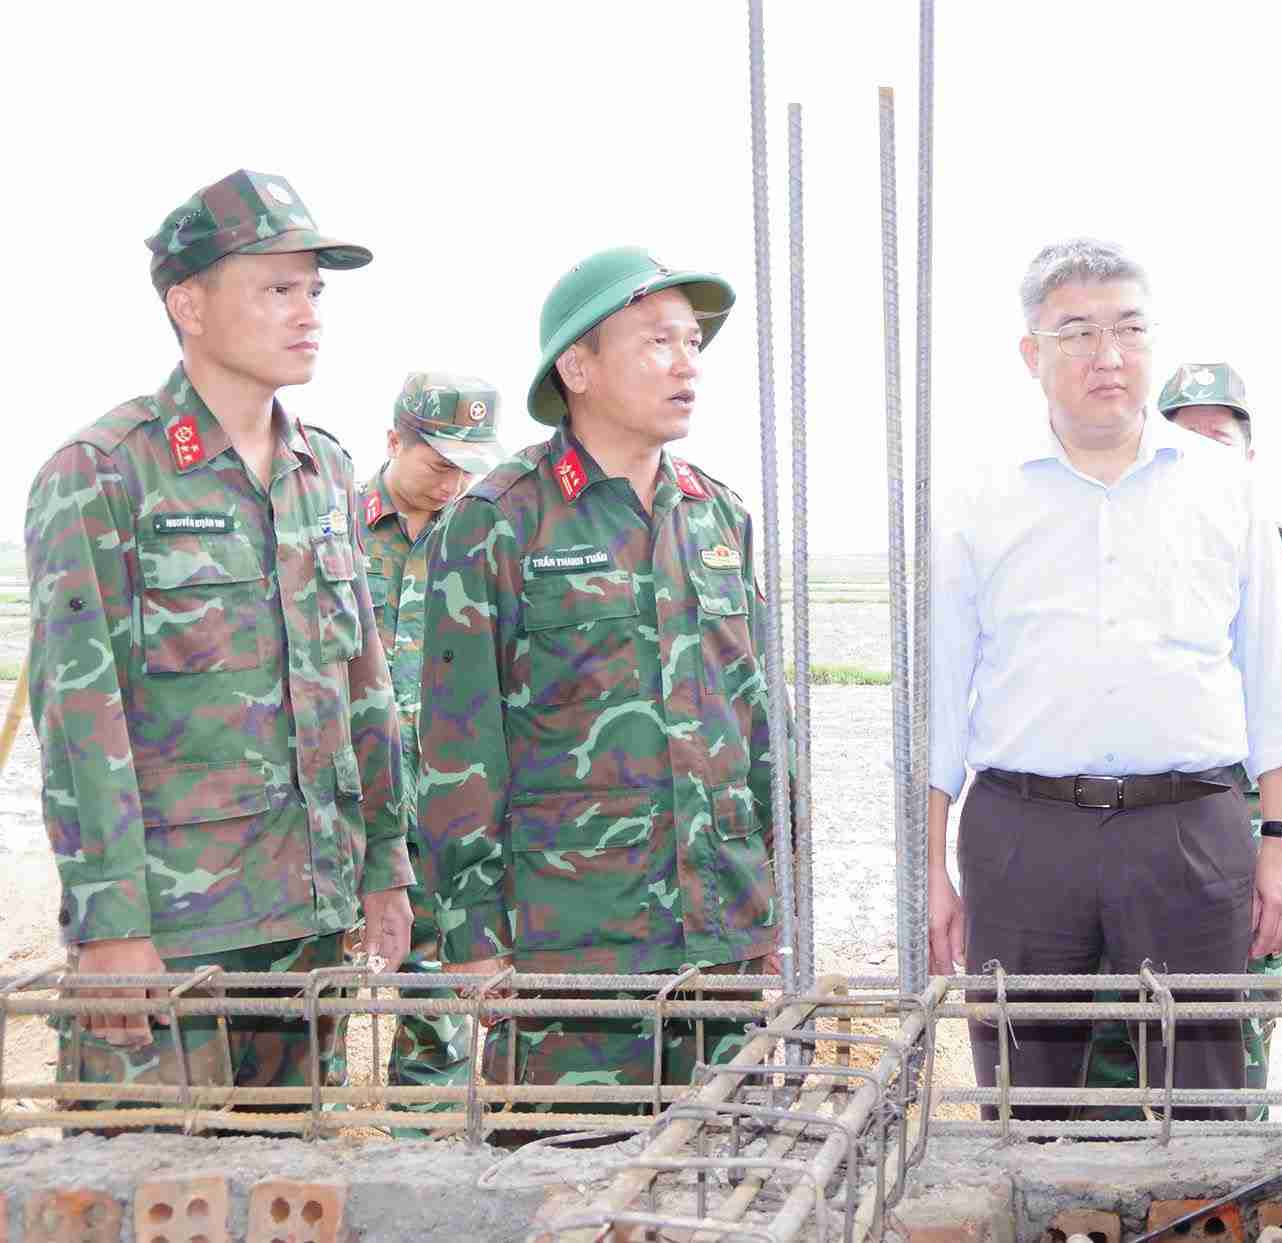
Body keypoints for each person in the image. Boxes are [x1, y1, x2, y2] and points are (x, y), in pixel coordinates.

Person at [23, 170, 412, 1109]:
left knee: (290, 1197)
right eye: (277, 288)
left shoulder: (327, 470)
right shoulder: (105, 473)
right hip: (174, 938)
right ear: (187, 303)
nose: (307, 312)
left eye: (313, 290)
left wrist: (384, 866)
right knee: (156, 1199)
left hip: (309, 927)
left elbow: (364, 682)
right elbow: (82, 717)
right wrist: (114, 923)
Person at [925, 240, 1282, 1122]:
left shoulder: (1224, 486)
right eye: (1078, 332)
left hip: (1188, 827)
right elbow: (941, 695)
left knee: (1202, 1098)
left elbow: (1275, 673)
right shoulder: (977, 498)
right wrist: (931, 870)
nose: (1109, 354)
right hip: (1025, 834)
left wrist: (1281, 838)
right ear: (1032, 352)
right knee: (1027, 1108)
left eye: (1129, 328)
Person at [415, 247, 774, 1128]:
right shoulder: (499, 521)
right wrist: (470, 941)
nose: (687, 362)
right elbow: (456, 744)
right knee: (571, 1190)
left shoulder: (718, 515)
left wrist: (778, 905)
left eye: (694, 341)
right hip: (572, 952)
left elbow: (761, 723)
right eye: (657, 340)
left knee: (735, 1183)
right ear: (578, 366)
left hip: (722, 940)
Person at [1080, 360, 1282, 1113]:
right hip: (1115, 841)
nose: (1200, 456)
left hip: (1235, 837)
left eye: (1219, 441)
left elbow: (1281, 712)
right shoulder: (1105, 547)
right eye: (1183, 438)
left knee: (1223, 1060)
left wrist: (1278, 846)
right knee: (1111, 1056)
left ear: (1247, 455)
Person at [358, 371, 507, 1108]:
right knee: (309, 989)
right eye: (438, 460)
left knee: (437, 990)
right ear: (393, 441)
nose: (452, 480)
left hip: (446, 803)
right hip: (344, 804)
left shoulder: (481, 540)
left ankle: (423, 1137)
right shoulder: (328, 528)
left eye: (465, 465)